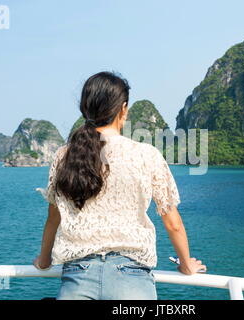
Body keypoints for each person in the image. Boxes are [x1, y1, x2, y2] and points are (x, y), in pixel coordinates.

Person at [33, 71, 206, 300]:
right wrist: (186, 264)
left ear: (85, 108)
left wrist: (44, 261)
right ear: (123, 109)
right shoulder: (147, 155)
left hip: (77, 278)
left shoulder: (64, 156)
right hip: (133, 279)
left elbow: (54, 217)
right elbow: (172, 223)